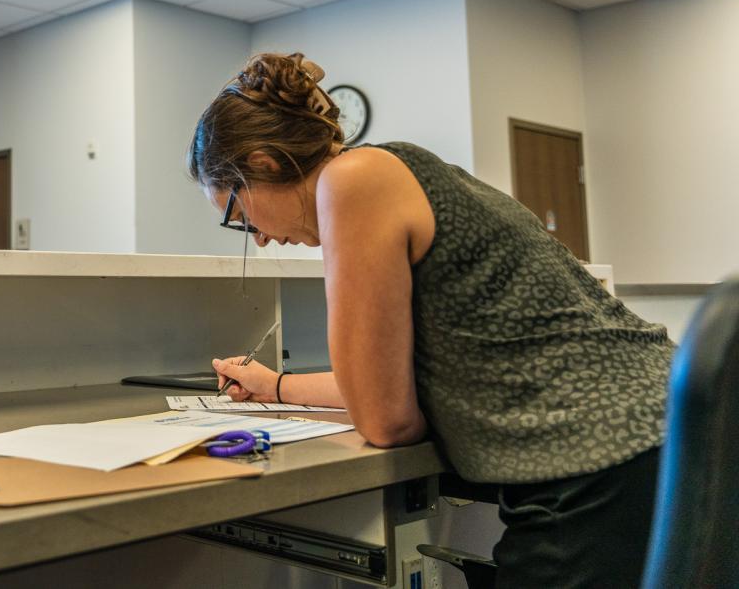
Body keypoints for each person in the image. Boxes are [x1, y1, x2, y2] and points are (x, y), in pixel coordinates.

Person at [188, 52, 674, 588]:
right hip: (668, 429)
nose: (256, 236)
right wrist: (274, 386)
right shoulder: (400, 167)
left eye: (237, 212)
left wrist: (416, 408)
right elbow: (388, 387)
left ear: (263, 163)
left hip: (597, 460)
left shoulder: (351, 181)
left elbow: (388, 421)